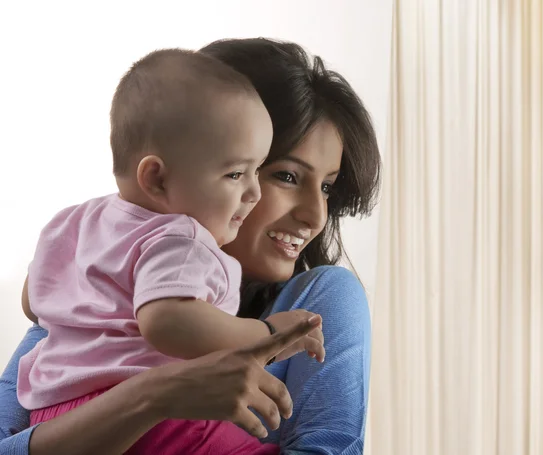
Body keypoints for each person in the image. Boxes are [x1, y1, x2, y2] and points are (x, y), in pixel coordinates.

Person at [0, 37, 381, 455]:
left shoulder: (323, 300)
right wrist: (154, 396)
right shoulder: (97, 290)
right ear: (166, 173)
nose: (316, 215)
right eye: (287, 176)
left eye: (327, 187)